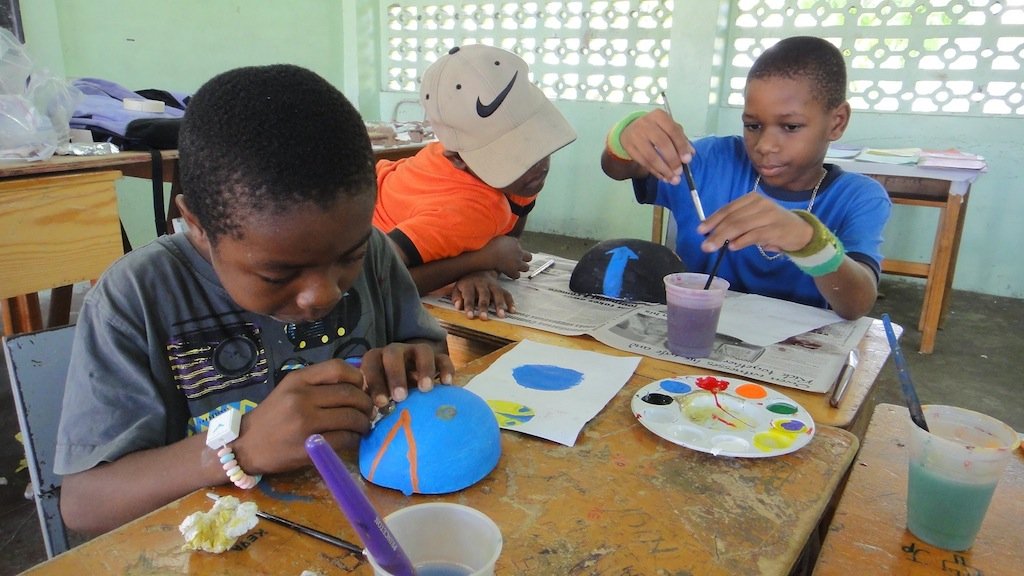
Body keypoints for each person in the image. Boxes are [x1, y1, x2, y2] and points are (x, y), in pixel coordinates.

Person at [54, 64, 453, 534]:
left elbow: (429, 352)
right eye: (277, 272)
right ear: (197, 226)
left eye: (351, 256)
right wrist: (238, 449)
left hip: (369, 529)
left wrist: (414, 363)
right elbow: (84, 505)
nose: (322, 294)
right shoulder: (137, 297)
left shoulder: (377, 255)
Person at [601, 36, 891, 320]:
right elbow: (617, 169)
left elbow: (857, 303)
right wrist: (625, 138)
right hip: (691, 335)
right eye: (752, 125)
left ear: (837, 122)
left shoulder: (858, 197)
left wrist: (808, 240)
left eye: (790, 126)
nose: (765, 145)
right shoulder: (711, 161)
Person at [374, 44, 576, 320]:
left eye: (535, 141)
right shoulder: (464, 211)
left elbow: (506, 238)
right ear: (457, 159)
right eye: (509, 154)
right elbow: (376, 279)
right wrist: (480, 261)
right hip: (355, 250)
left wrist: (482, 270)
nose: (537, 164)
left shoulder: (515, 180)